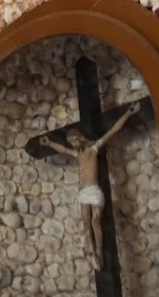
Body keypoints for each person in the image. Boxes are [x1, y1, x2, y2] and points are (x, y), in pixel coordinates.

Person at [43, 98, 146, 270]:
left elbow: (112, 131)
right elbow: (61, 149)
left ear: (79, 138)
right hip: (83, 192)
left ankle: (99, 252)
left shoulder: (94, 148)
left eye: (73, 141)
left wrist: (128, 113)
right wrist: (49, 143)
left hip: (94, 190)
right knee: (86, 222)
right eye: (70, 143)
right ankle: (93, 253)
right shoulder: (77, 154)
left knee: (96, 221)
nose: (72, 145)